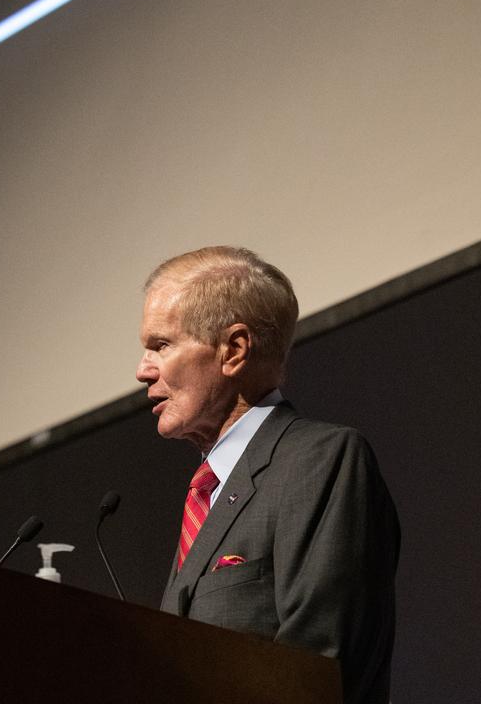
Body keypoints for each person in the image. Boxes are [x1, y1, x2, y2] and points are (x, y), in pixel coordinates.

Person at [136, 246, 399, 704]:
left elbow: (320, 662)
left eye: (161, 345)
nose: (142, 371)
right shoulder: (208, 490)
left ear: (233, 351)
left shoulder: (319, 460)